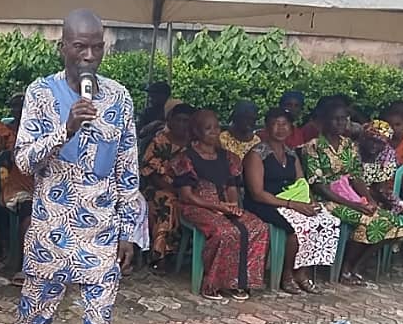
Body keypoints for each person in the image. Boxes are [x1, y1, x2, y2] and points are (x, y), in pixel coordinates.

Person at [10, 9, 140, 324]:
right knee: (33, 319)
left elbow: (127, 168)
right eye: (79, 46)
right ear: (62, 46)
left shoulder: (120, 98)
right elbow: (24, 161)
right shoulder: (40, 94)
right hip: (50, 230)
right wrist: (66, 129)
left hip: (102, 234)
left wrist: (128, 231)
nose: (88, 56)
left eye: (96, 47)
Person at [302, 104, 403, 285]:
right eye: (336, 118)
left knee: (392, 221)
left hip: (350, 195)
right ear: (325, 121)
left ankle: (356, 267)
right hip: (327, 200)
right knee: (368, 221)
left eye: (344, 119)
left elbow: (356, 177)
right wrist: (354, 205)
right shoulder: (313, 147)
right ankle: (345, 269)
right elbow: (319, 186)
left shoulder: (348, 145)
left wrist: (369, 199)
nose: (340, 123)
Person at [175, 109, 268, 301]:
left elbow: (232, 186)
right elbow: (187, 195)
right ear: (196, 131)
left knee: (258, 227)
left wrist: (231, 205)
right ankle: (213, 283)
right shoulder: (185, 158)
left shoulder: (228, 157)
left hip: (224, 205)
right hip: (197, 205)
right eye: (208, 128)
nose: (214, 131)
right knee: (224, 232)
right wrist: (216, 207)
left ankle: (240, 282)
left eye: (216, 127)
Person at [244, 108, 340, 294]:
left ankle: (301, 272)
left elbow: (300, 182)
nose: (280, 129)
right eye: (275, 124)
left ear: (291, 128)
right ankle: (286, 273)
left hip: (290, 199)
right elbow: (257, 193)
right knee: (297, 227)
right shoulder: (257, 154)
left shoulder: (290, 153)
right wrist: (293, 205)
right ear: (266, 127)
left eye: (284, 124)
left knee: (324, 220)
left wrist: (309, 202)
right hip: (264, 202)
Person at [140, 102, 195, 269]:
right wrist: (177, 191)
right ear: (169, 120)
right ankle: (159, 255)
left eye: (186, 121)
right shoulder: (159, 142)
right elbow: (152, 175)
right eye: (178, 120)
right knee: (167, 202)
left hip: (192, 191)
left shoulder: (195, 144)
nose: (182, 125)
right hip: (160, 188)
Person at [357, 120, 403, 228]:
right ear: (365, 139)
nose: (374, 145)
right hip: (354, 188)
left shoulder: (388, 153)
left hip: (376, 189)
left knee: (386, 196)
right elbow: (353, 178)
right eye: (372, 141)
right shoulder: (354, 150)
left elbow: (381, 184)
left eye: (379, 143)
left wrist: (380, 196)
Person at [0, 93, 34, 283]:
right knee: (28, 210)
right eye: (15, 107)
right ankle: (26, 264)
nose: (18, 110)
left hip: (42, 183)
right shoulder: (5, 131)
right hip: (18, 184)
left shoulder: (40, 130)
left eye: (22, 105)